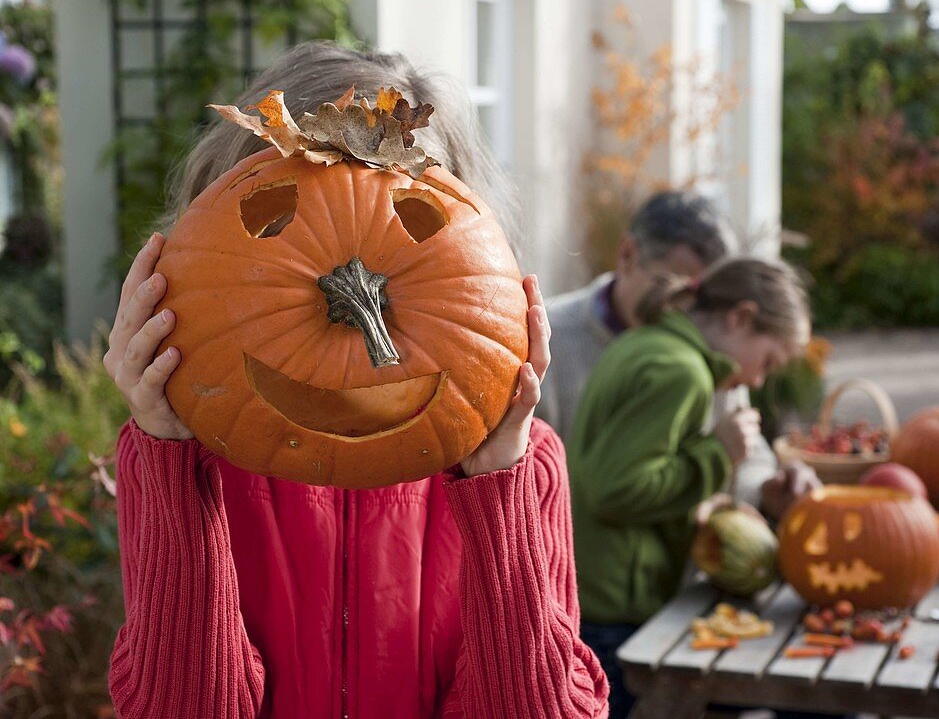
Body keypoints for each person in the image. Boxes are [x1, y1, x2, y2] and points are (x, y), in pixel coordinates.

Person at [102, 41, 608, 719]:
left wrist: (496, 482)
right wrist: (174, 463)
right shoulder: (185, 463)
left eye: (411, 223)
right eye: (279, 222)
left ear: (478, 251)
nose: (350, 277)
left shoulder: (525, 467)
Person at [567, 257, 812, 718]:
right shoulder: (682, 372)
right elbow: (615, 488)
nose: (757, 380)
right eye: (767, 361)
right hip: (619, 605)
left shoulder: (644, 343)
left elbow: (626, 464)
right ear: (740, 318)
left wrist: (703, 500)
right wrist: (718, 453)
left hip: (590, 592)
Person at [538, 192, 804, 514]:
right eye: (678, 282)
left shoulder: (712, 346)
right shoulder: (548, 340)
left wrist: (764, 488)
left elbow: (741, 445)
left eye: (706, 294)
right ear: (627, 255)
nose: (692, 304)